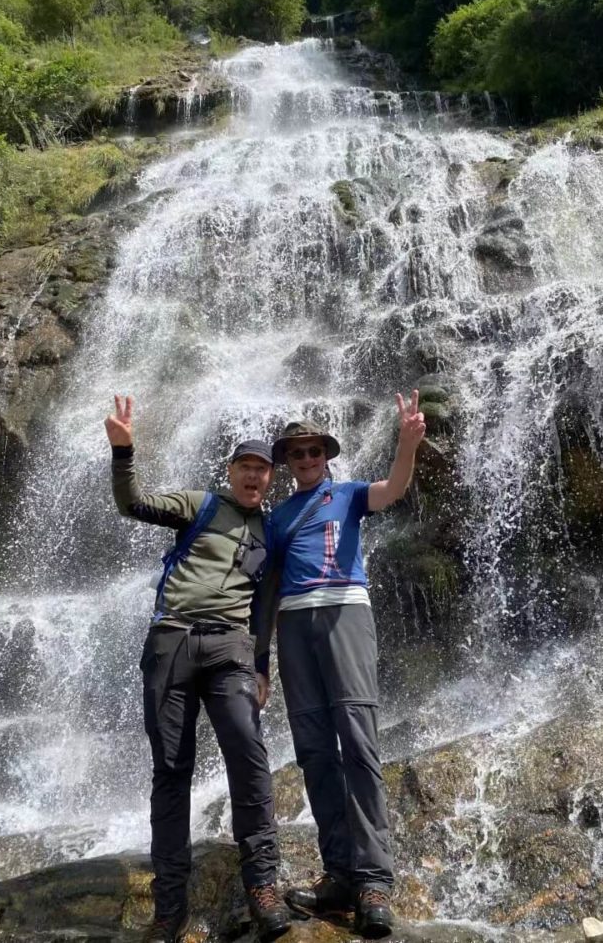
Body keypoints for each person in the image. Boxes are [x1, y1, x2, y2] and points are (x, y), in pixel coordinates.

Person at [104, 395, 291, 943]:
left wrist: (262, 667)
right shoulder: (199, 504)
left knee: (249, 754)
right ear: (231, 471)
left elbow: (267, 606)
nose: (253, 476)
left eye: (261, 470)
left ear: (269, 480)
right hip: (172, 643)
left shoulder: (272, 532)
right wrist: (123, 452)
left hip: (232, 648)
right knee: (171, 768)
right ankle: (170, 908)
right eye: (245, 467)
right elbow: (131, 503)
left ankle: (263, 886)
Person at [254, 392, 426, 940]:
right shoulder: (276, 518)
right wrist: (259, 663)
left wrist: (407, 444)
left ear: (325, 455)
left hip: (345, 611)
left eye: (313, 450)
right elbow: (268, 591)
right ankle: (340, 874)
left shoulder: (349, 494)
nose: (305, 458)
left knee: (357, 739)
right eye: (297, 453)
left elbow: (394, 489)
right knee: (313, 750)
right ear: (287, 462)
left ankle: (375, 880)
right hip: (295, 629)